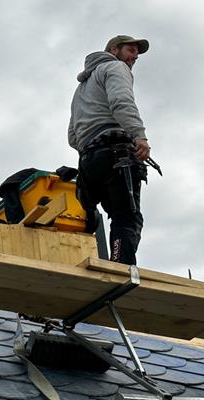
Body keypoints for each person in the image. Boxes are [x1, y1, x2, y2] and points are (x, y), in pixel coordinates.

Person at [68, 35, 151, 265]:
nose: (134, 57)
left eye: (136, 53)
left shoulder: (81, 89)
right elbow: (121, 102)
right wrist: (139, 136)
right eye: (131, 50)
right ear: (114, 49)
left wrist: (90, 150)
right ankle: (120, 267)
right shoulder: (116, 67)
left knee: (105, 213)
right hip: (116, 153)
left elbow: (72, 135)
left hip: (89, 160)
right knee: (126, 218)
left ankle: (107, 261)